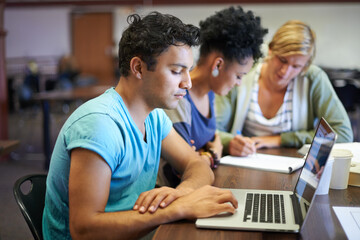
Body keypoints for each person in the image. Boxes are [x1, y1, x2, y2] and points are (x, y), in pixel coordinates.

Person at [42, 12, 238, 240]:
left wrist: (181, 194)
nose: (188, 82)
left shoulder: (154, 116)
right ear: (138, 68)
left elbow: (196, 164)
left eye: (187, 70)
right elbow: (84, 229)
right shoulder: (100, 125)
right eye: (176, 71)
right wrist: (175, 208)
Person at [158, 6, 267, 187]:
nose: (238, 83)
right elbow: (181, 170)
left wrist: (216, 146)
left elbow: (209, 139)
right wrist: (214, 153)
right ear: (218, 65)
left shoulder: (209, 93)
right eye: (238, 76)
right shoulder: (178, 98)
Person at [215, 20, 353, 157]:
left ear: (305, 66)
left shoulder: (313, 78)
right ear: (270, 49)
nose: (285, 71)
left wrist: (281, 139)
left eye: (296, 67)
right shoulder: (242, 72)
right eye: (282, 60)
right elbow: (212, 129)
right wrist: (230, 142)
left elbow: (343, 134)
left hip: (292, 165)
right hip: (244, 162)